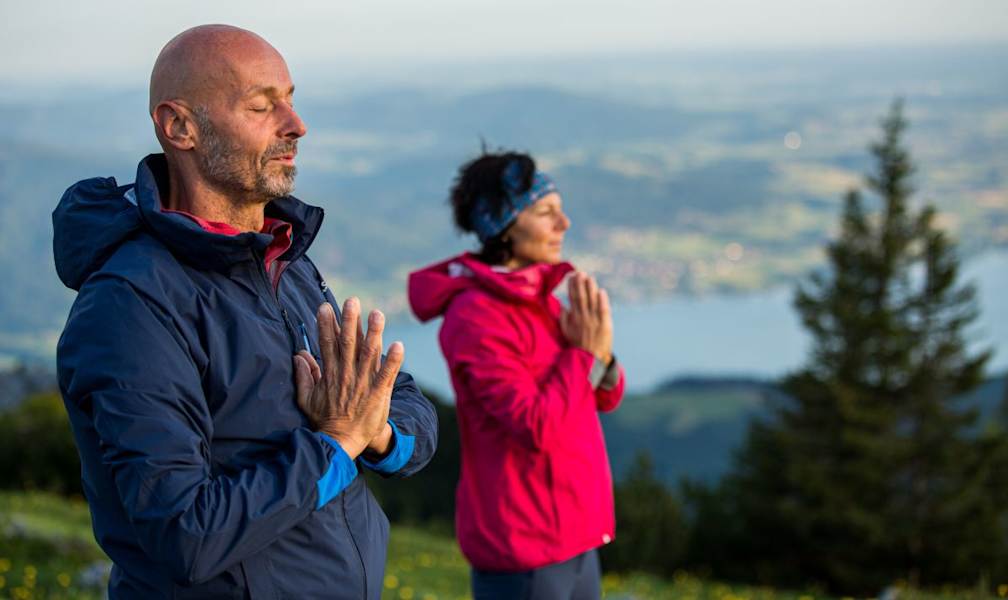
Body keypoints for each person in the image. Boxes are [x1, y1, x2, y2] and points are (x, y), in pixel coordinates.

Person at [53, 25, 437, 599]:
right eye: (262, 105)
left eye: (289, 97)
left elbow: (409, 415)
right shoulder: (130, 306)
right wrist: (335, 445)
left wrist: (374, 431)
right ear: (178, 126)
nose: (295, 124)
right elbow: (186, 535)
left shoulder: (280, 257)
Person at [408, 151, 625, 599]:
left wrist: (602, 359)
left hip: (577, 534)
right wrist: (585, 355)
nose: (564, 224)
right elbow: (534, 425)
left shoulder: (538, 294)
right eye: (546, 212)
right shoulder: (476, 318)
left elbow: (603, 397)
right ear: (502, 227)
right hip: (524, 548)